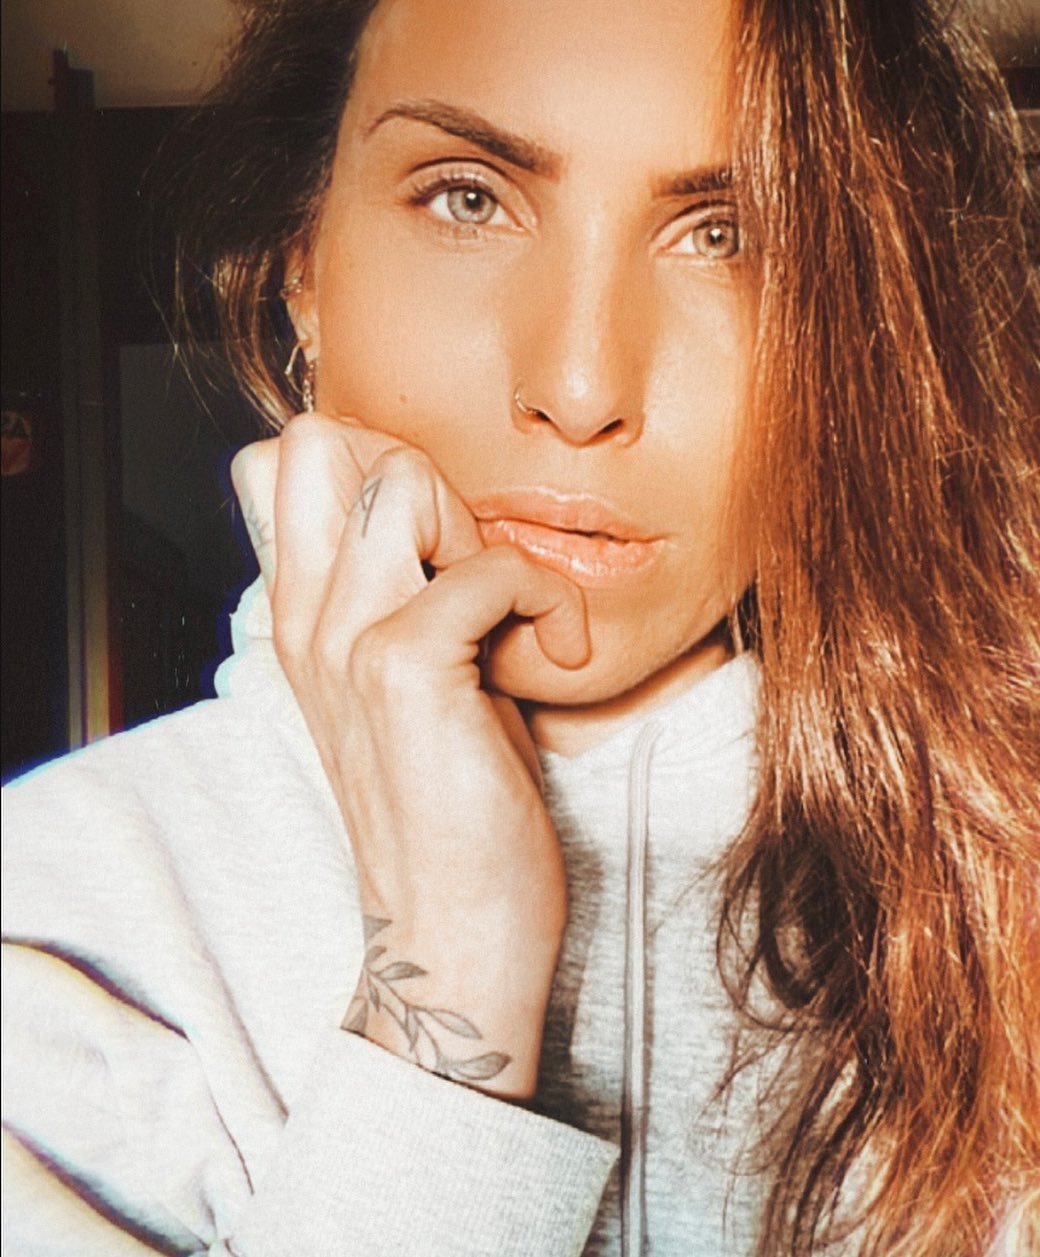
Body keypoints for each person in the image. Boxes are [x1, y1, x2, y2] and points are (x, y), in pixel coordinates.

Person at [3, 0, 1038, 1253]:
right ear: (298, 271)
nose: (581, 388)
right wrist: (449, 979)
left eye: (728, 234)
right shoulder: (49, 922)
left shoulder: (1005, 880)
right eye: (467, 199)